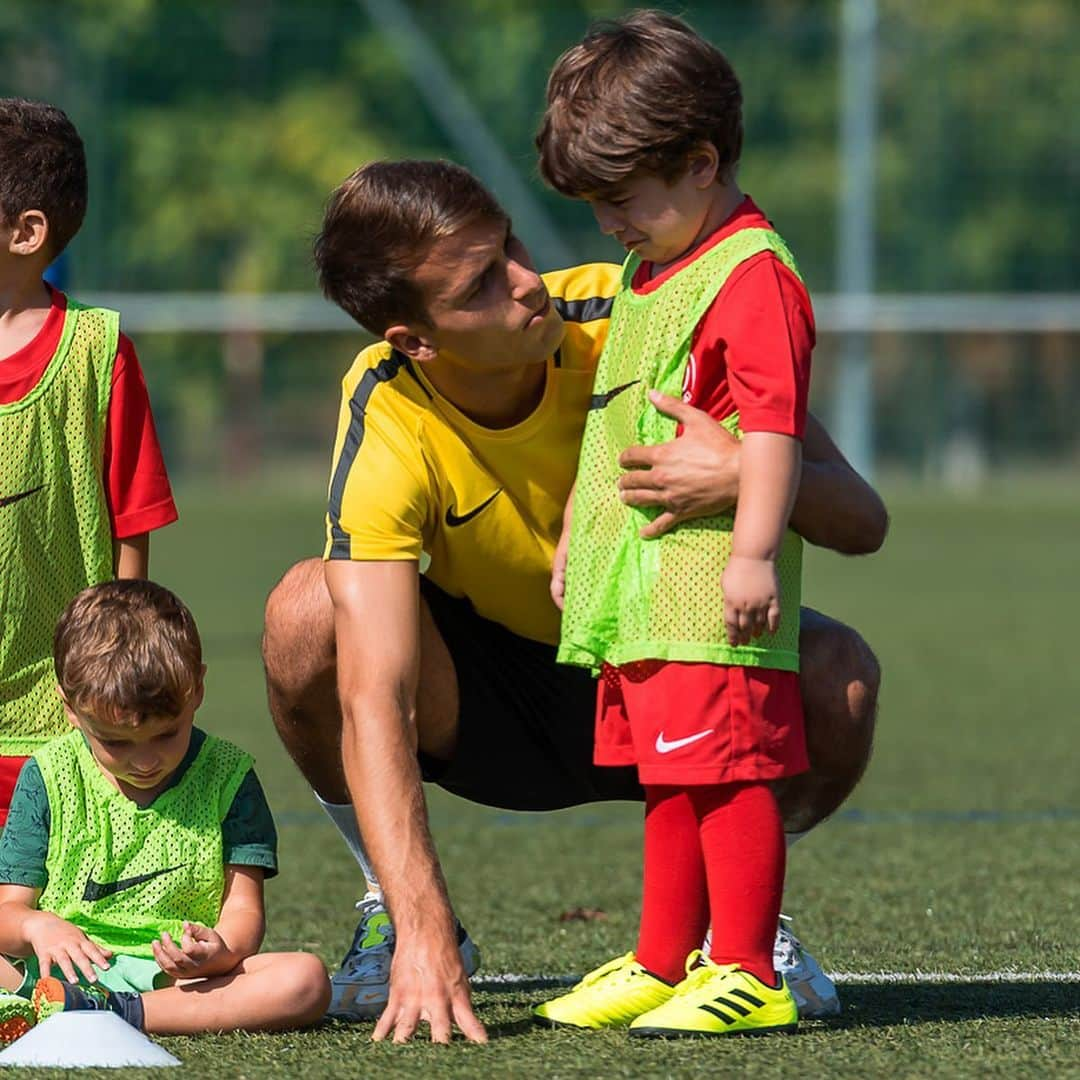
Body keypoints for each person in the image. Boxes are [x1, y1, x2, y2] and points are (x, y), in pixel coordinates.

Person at [261, 159, 886, 1044]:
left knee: (840, 677)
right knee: (307, 613)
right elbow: (374, 691)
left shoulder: (627, 306)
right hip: (490, 708)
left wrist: (741, 471)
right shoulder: (386, 404)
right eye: (480, 282)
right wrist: (425, 928)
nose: (525, 281)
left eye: (509, 244)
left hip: (674, 660)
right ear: (419, 340)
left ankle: (733, 931)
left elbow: (862, 519)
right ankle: (388, 912)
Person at [531, 10, 825, 1038]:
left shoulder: (750, 273)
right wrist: (578, 531)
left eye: (621, 199)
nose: (608, 221)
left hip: (709, 590)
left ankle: (747, 968)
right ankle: (664, 961)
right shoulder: (647, 264)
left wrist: (751, 555)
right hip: (642, 587)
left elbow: (777, 430)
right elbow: (615, 412)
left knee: (729, 773)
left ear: (701, 163)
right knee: (670, 776)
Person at [0, 579, 330, 1044]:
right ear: (71, 708)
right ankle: (56, 1002)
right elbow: (7, 912)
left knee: (304, 981)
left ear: (196, 690)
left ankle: (113, 1012)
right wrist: (38, 925)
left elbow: (241, 906)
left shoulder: (228, 776)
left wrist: (217, 952)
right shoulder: (48, 776)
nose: (145, 761)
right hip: (54, 971)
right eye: (115, 742)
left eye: (165, 734)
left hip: (174, 982)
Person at [0, 98, 177, 823]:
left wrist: (115, 680)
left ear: (25, 231)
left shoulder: (98, 354)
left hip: (57, 723)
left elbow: (134, 522)